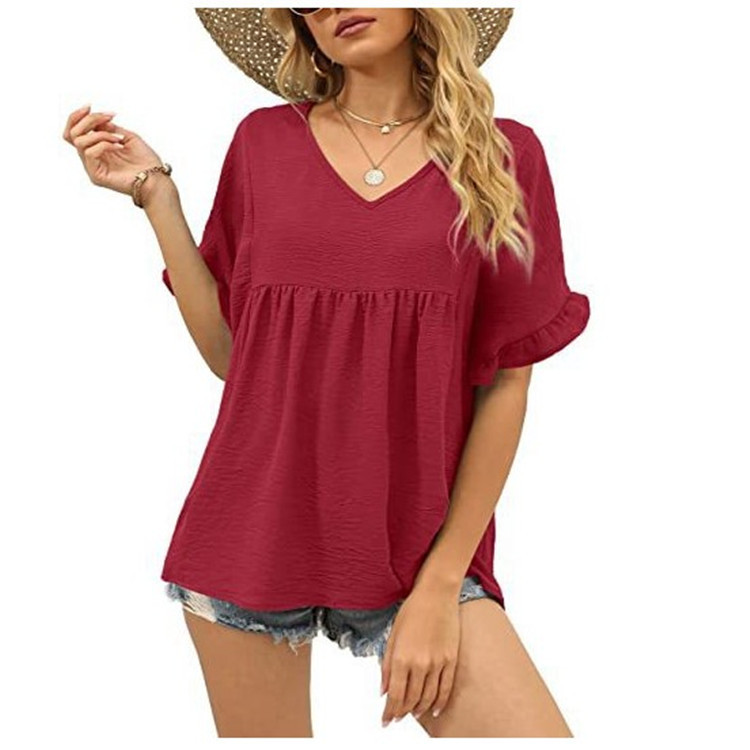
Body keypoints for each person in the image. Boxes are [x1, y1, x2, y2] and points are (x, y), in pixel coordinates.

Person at [63, 7, 590, 738]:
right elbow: (233, 358)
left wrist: (442, 585)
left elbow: (507, 382)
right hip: (251, 534)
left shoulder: (502, 156)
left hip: (419, 547)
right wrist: (159, 200)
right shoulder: (262, 143)